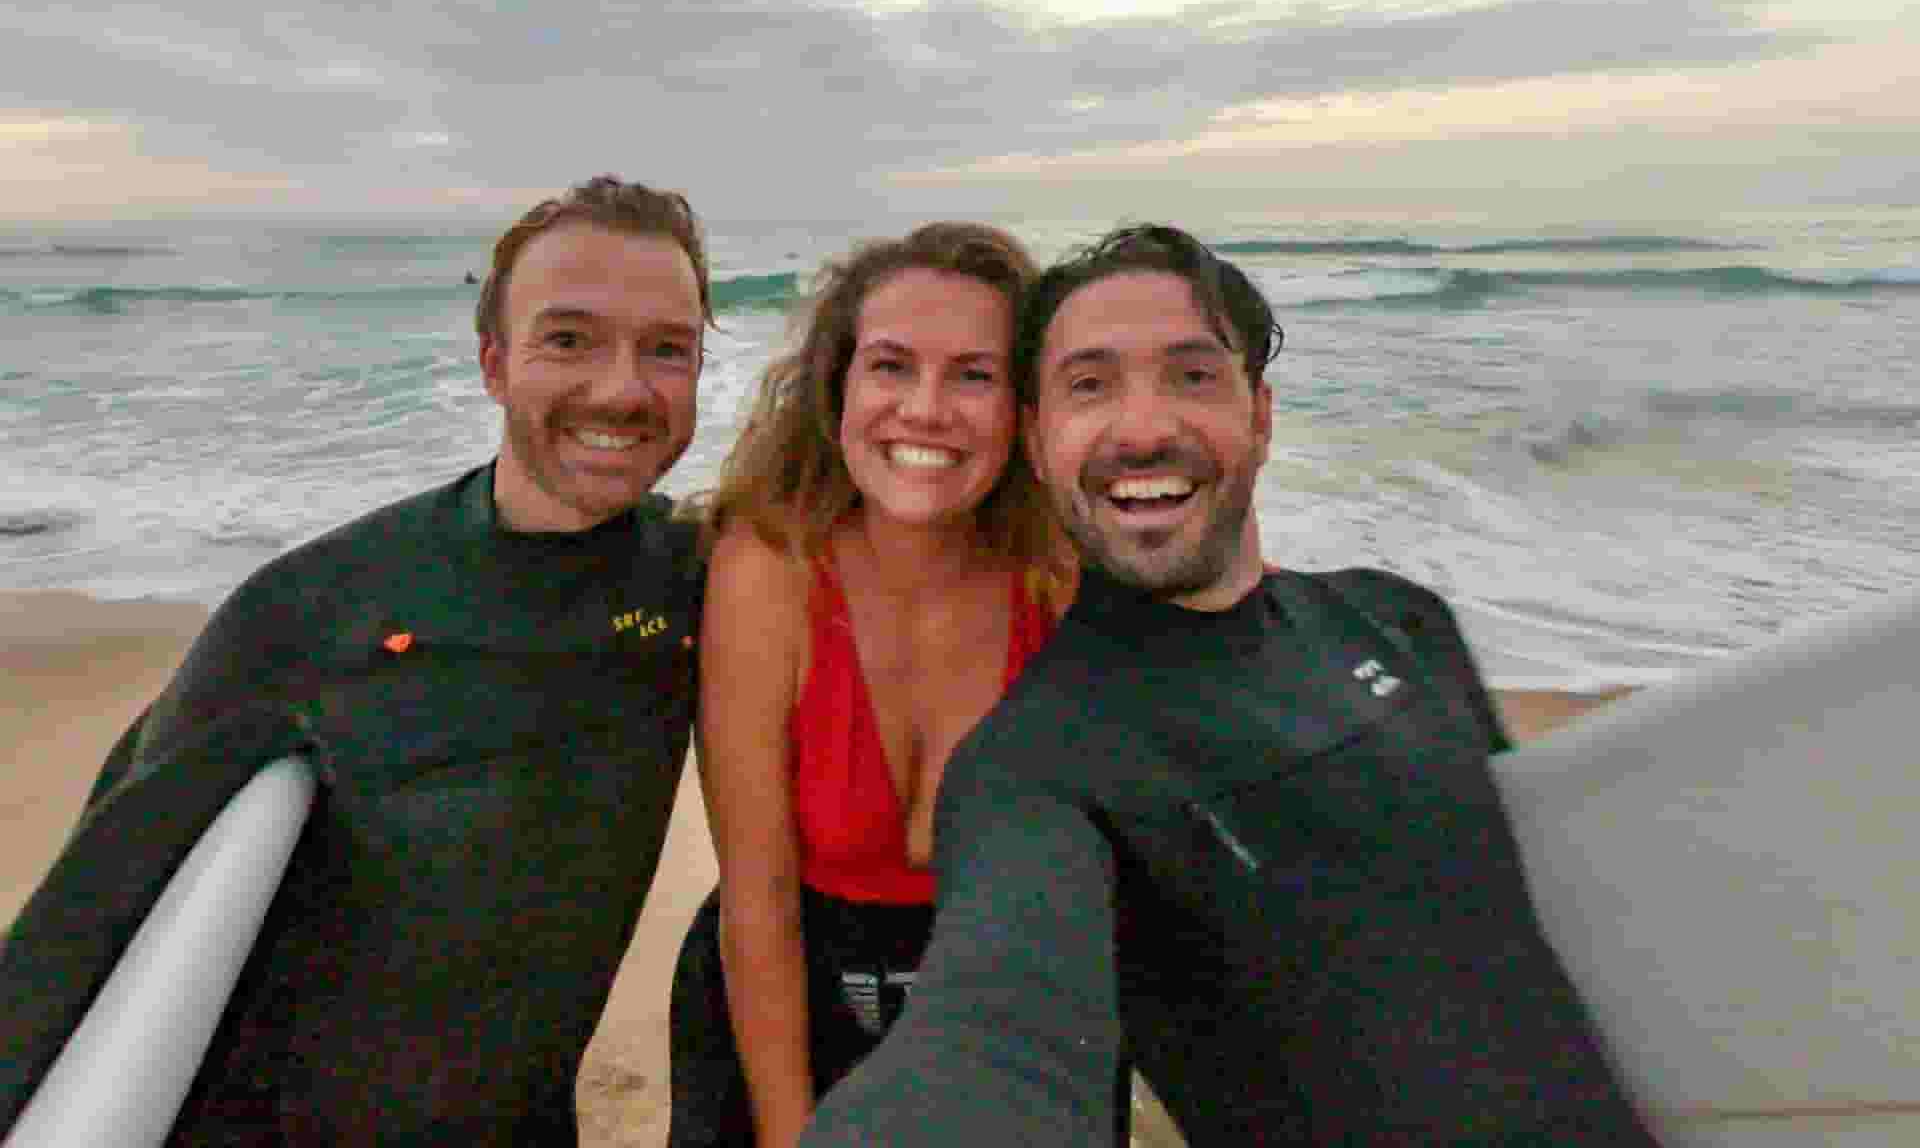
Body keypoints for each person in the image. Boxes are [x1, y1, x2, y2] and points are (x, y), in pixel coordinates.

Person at [801, 224, 1662, 1147]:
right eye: (1089, 386)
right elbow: (994, 1035)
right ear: (1039, 444)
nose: (1144, 429)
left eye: (1193, 374)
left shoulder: (1403, 624)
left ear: (1260, 414)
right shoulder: (1033, 768)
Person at [1, 175, 712, 1144]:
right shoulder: (315, 609)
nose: (622, 388)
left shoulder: (698, 581)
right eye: (569, 339)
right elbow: (82, 923)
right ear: (494, 364)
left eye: (666, 349)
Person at [666, 223, 1092, 1148]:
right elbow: (760, 895)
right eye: (891, 366)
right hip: (783, 1017)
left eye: (974, 374)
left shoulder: (1060, 574)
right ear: (840, 385)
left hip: (995, 1023)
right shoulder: (768, 567)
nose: (926, 409)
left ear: (1026, 405)